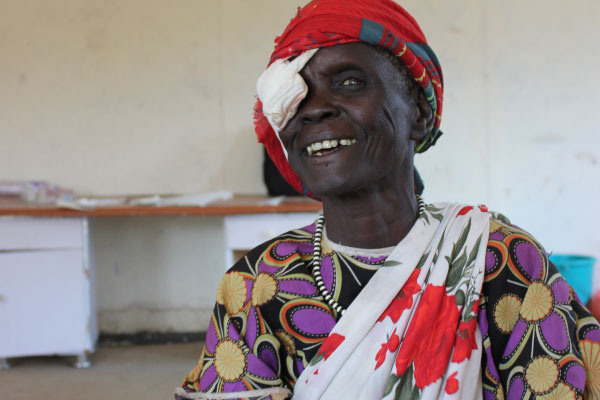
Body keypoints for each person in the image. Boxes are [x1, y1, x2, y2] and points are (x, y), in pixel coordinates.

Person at [175, 1, 600, 399]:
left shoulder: (502, 262)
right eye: (295, 95)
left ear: (417, 111)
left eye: (349, 82)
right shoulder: (257, 286)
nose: (313, 109)